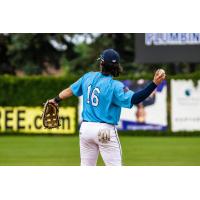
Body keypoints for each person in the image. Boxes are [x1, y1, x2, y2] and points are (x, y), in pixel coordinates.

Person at [49, 48, 166, 166]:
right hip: (105, 130)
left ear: (101, 64)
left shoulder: (88, 77)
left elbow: (70, 90)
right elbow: (136, 98)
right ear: (116, 66)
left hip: (86, 129)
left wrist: (55, 100)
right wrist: (154, 84)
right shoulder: (115, 86)